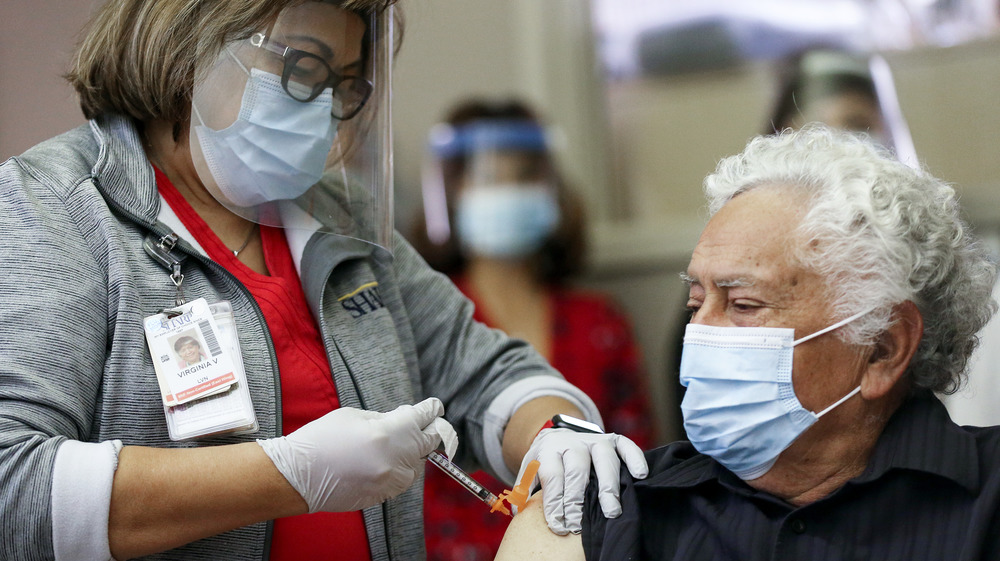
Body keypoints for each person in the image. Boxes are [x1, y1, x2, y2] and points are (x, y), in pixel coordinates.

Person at [0, 2, 647, 560]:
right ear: (189, 43)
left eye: (342, 85)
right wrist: (289, 474)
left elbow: (482, 370)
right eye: (301, 70)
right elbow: (14, 488)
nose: (324, 113)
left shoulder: (339, 217)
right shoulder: (55, 206)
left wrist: (555, 429)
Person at [493, 125, 1000, 560]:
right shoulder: (604, 518)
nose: (702, 334)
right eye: (696, 304)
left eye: (744, 305)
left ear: (883, 348)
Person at [409, 98, 655, 561]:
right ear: (448, 192)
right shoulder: (427, 322)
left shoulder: (598, 321)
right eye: (486, 177)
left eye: (523, 177)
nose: (507, 191)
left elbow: (639, 461)